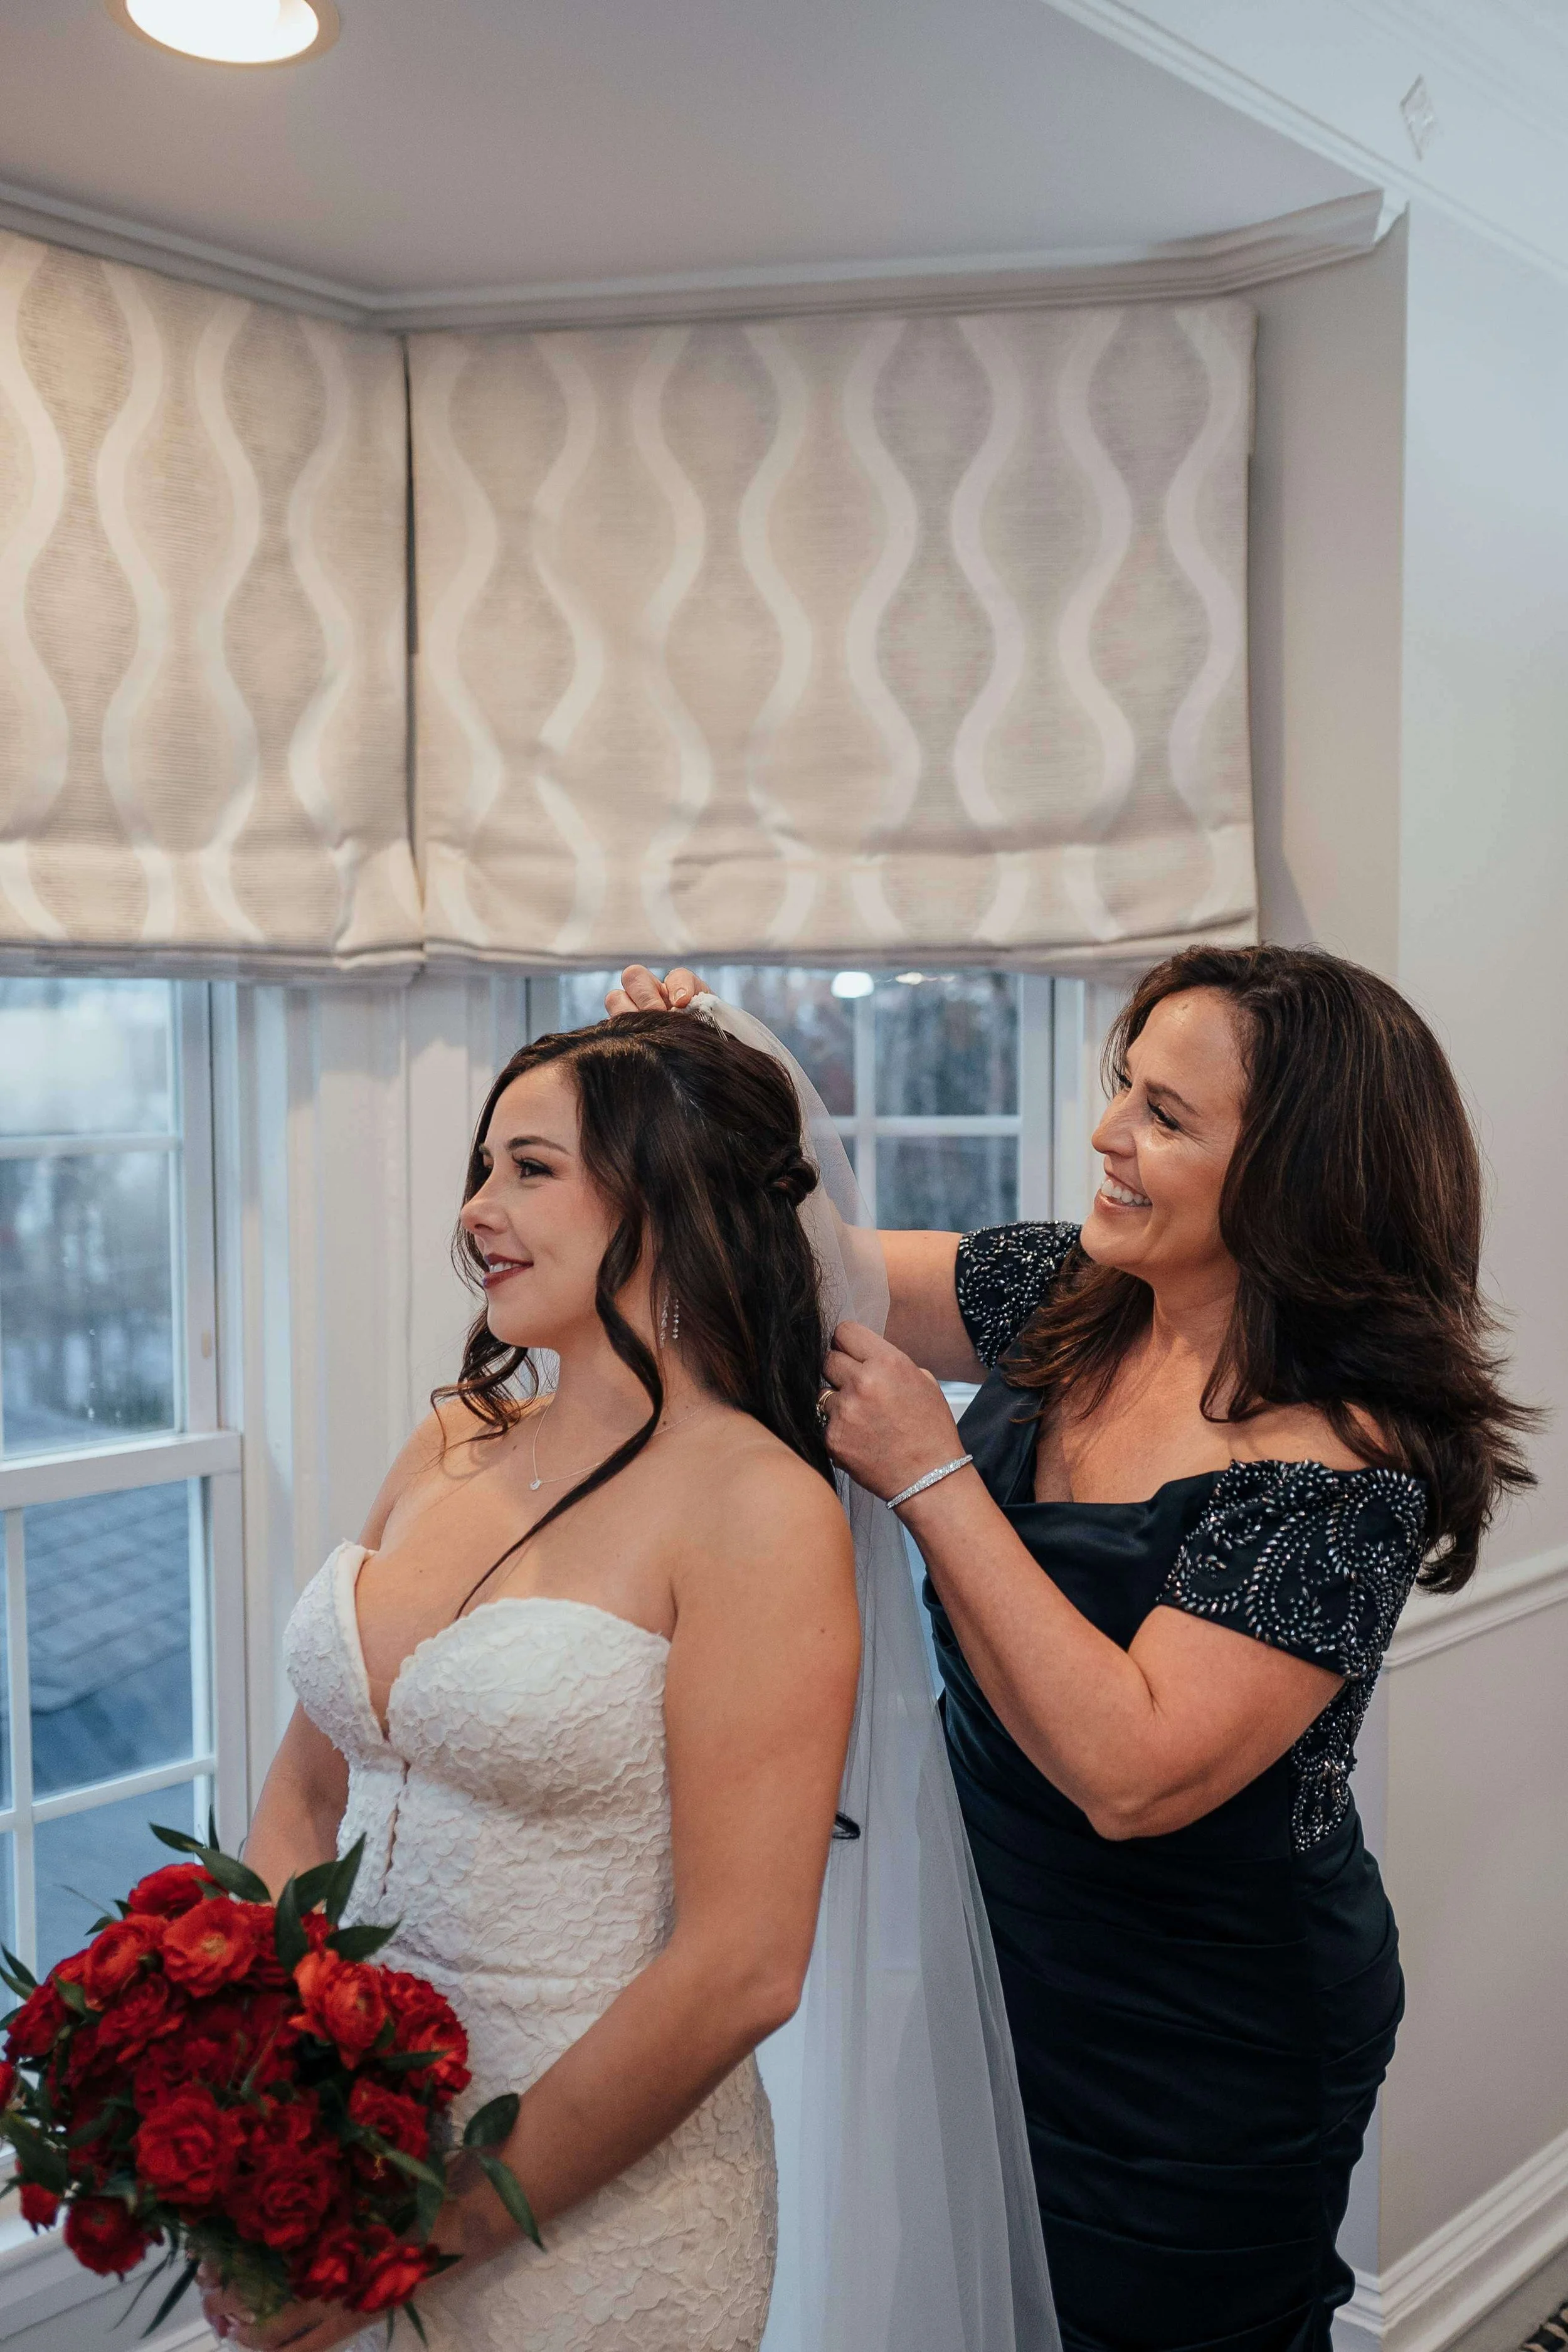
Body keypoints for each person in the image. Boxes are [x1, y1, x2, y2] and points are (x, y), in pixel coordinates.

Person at [613, 947, 1535, 2352]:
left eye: (1165, 1115)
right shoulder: (1074, 1295)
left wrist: (932, 1479)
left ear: (1295, 1174)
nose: (1107, 1132)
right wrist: (695, 1088)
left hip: (1203, 2040)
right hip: (1001, 1953)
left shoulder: (1338, 1467)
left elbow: (1132, 1771)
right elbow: (813, 1269)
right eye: (1123, 1086)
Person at [200, 1012, 862, 2350]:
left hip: (589, 2222)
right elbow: (306, 1798)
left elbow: (741, 1968)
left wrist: (413, 2239)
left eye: (530, 1169)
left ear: (665, 1196)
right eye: (482, 1166)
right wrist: (259, 2119)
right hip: (350, 2166)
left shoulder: (758, 1509)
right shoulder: (450, 1441)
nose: (476, 1209)